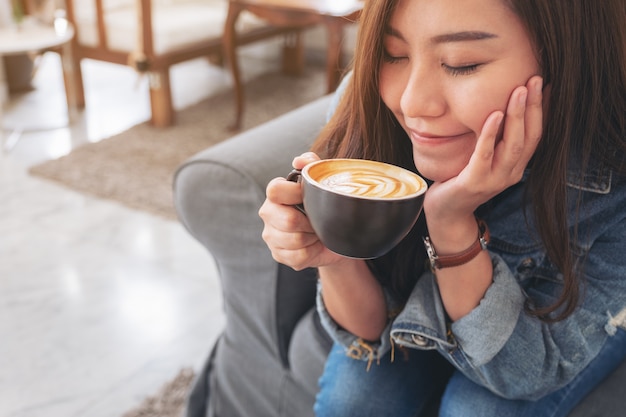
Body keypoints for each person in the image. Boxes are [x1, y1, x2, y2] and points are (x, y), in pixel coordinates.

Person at [258, 0, 626, 416]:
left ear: (566, 59)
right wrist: (336, 252)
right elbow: (369, 333)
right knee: (354, 400)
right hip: (424, 310)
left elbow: (522, 374)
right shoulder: (367, 105)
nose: (413, 103)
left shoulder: (612, 177)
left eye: (461, 63)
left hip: (542, 342)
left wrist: (451, 223)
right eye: (394, 53)